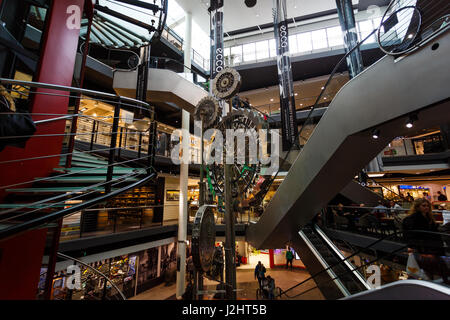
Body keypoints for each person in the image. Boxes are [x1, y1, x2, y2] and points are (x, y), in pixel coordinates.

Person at [402, 198, 448, 283]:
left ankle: (438, 280)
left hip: (432, 245)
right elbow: (408, 234)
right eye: (424, 206)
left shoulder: (428, 217)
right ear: (417, 207)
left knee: (436, 264)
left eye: (428, 206)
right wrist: (411, 246)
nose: (426, 207)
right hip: (424, 247)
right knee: (431, 265)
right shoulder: (411, 219)